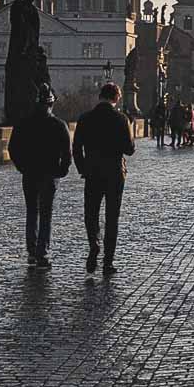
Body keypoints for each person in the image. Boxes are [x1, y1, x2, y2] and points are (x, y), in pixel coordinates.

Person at [72, 81, 136, 275]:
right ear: (116, 98)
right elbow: (130, 149)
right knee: (112, 216)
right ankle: (108, 262)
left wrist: (83, 167)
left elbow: (76, 148)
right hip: (114, 172)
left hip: (92, 171)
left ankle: (94, 245)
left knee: (91, 213)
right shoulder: (121, 119)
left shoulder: (85, 118)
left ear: (100, 96)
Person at [9, 86, 71, 269]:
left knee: (31, 211)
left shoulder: (23, 123)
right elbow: (67, 153)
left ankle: (31, 250)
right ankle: (41, 252)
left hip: (30, 172)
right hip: (49, 174)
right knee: (45, 214)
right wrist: (62, 170)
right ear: (51, 103)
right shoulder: (59, 125)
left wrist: (22, 167)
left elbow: (13, 149)